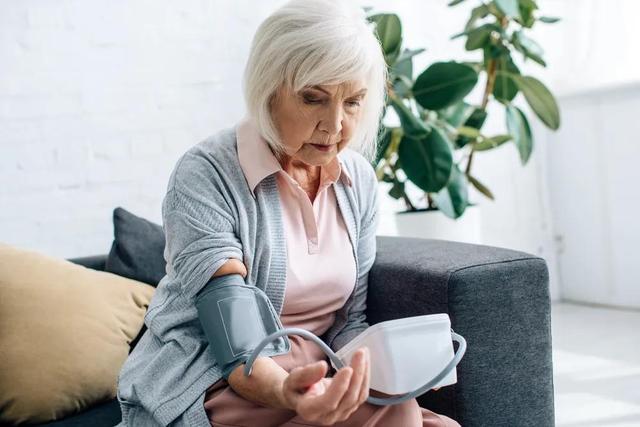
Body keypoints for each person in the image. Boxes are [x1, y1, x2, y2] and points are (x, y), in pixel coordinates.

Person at [116, 0, 460, 426]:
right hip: (219, 379)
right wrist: (287, 391)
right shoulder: (206, 173)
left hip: (316, 377)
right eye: (313, 99)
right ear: (268, 90)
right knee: (397, 416)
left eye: (352, 102)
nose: (334, 125)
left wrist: (386, 366)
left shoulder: (358, 181)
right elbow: (237, 343)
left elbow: (349, 322)